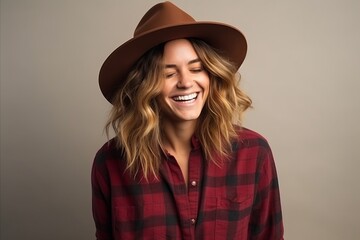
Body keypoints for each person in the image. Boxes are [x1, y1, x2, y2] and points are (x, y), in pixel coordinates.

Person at [92, 1, 284, 239]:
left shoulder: (253, 153)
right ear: (143, 86)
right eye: (168, 73)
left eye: (196, 68)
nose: (185, 82)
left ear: (212, 74)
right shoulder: (109, 163)